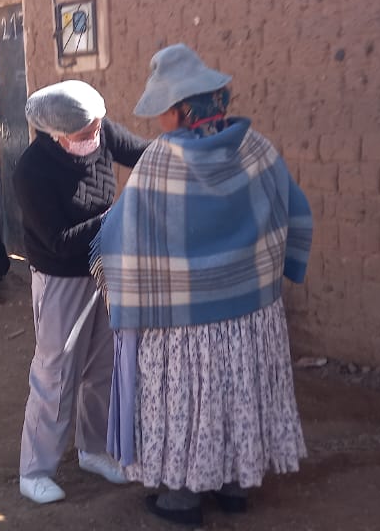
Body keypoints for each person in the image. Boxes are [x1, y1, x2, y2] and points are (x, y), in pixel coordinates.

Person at [93, 43, 314, 526]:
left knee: (187, 403)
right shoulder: (257, 149)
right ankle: (234, 487)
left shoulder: (160, 162)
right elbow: (293, 208)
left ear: (181, 110)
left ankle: (182, 499)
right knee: (238, 396)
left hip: (183, 322)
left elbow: (125, 233)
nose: (158, 121)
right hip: (250, 310)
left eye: (162, 109)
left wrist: (109, 265)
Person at [12, 79, 149, 504]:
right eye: (86, 132)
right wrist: (117, 216)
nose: (96, 136)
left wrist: (180, 154)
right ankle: (35, 470)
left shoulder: (101, 132)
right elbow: (58, 241)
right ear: (57, 133)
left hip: (105, 267)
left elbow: (144, 153)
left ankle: (94, 449)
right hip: (61, 277)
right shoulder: (32, 171)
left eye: (98, 127)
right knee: (55, 372)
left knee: (104, 365)